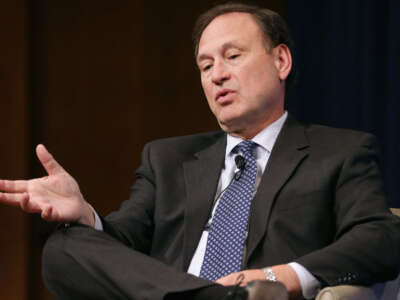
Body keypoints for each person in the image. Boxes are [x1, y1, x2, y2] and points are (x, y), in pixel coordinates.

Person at [0, 3, 399, 300]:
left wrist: (278, 278)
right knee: (65, 245)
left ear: (281, 60)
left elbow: (379, 238)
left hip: (263, 292)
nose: (217, 75)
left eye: (232, 56)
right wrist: (85, 215)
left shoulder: (340, 151)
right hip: (183, 292)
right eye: (205, 66)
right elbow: (123, 243)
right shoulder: (167, 159)